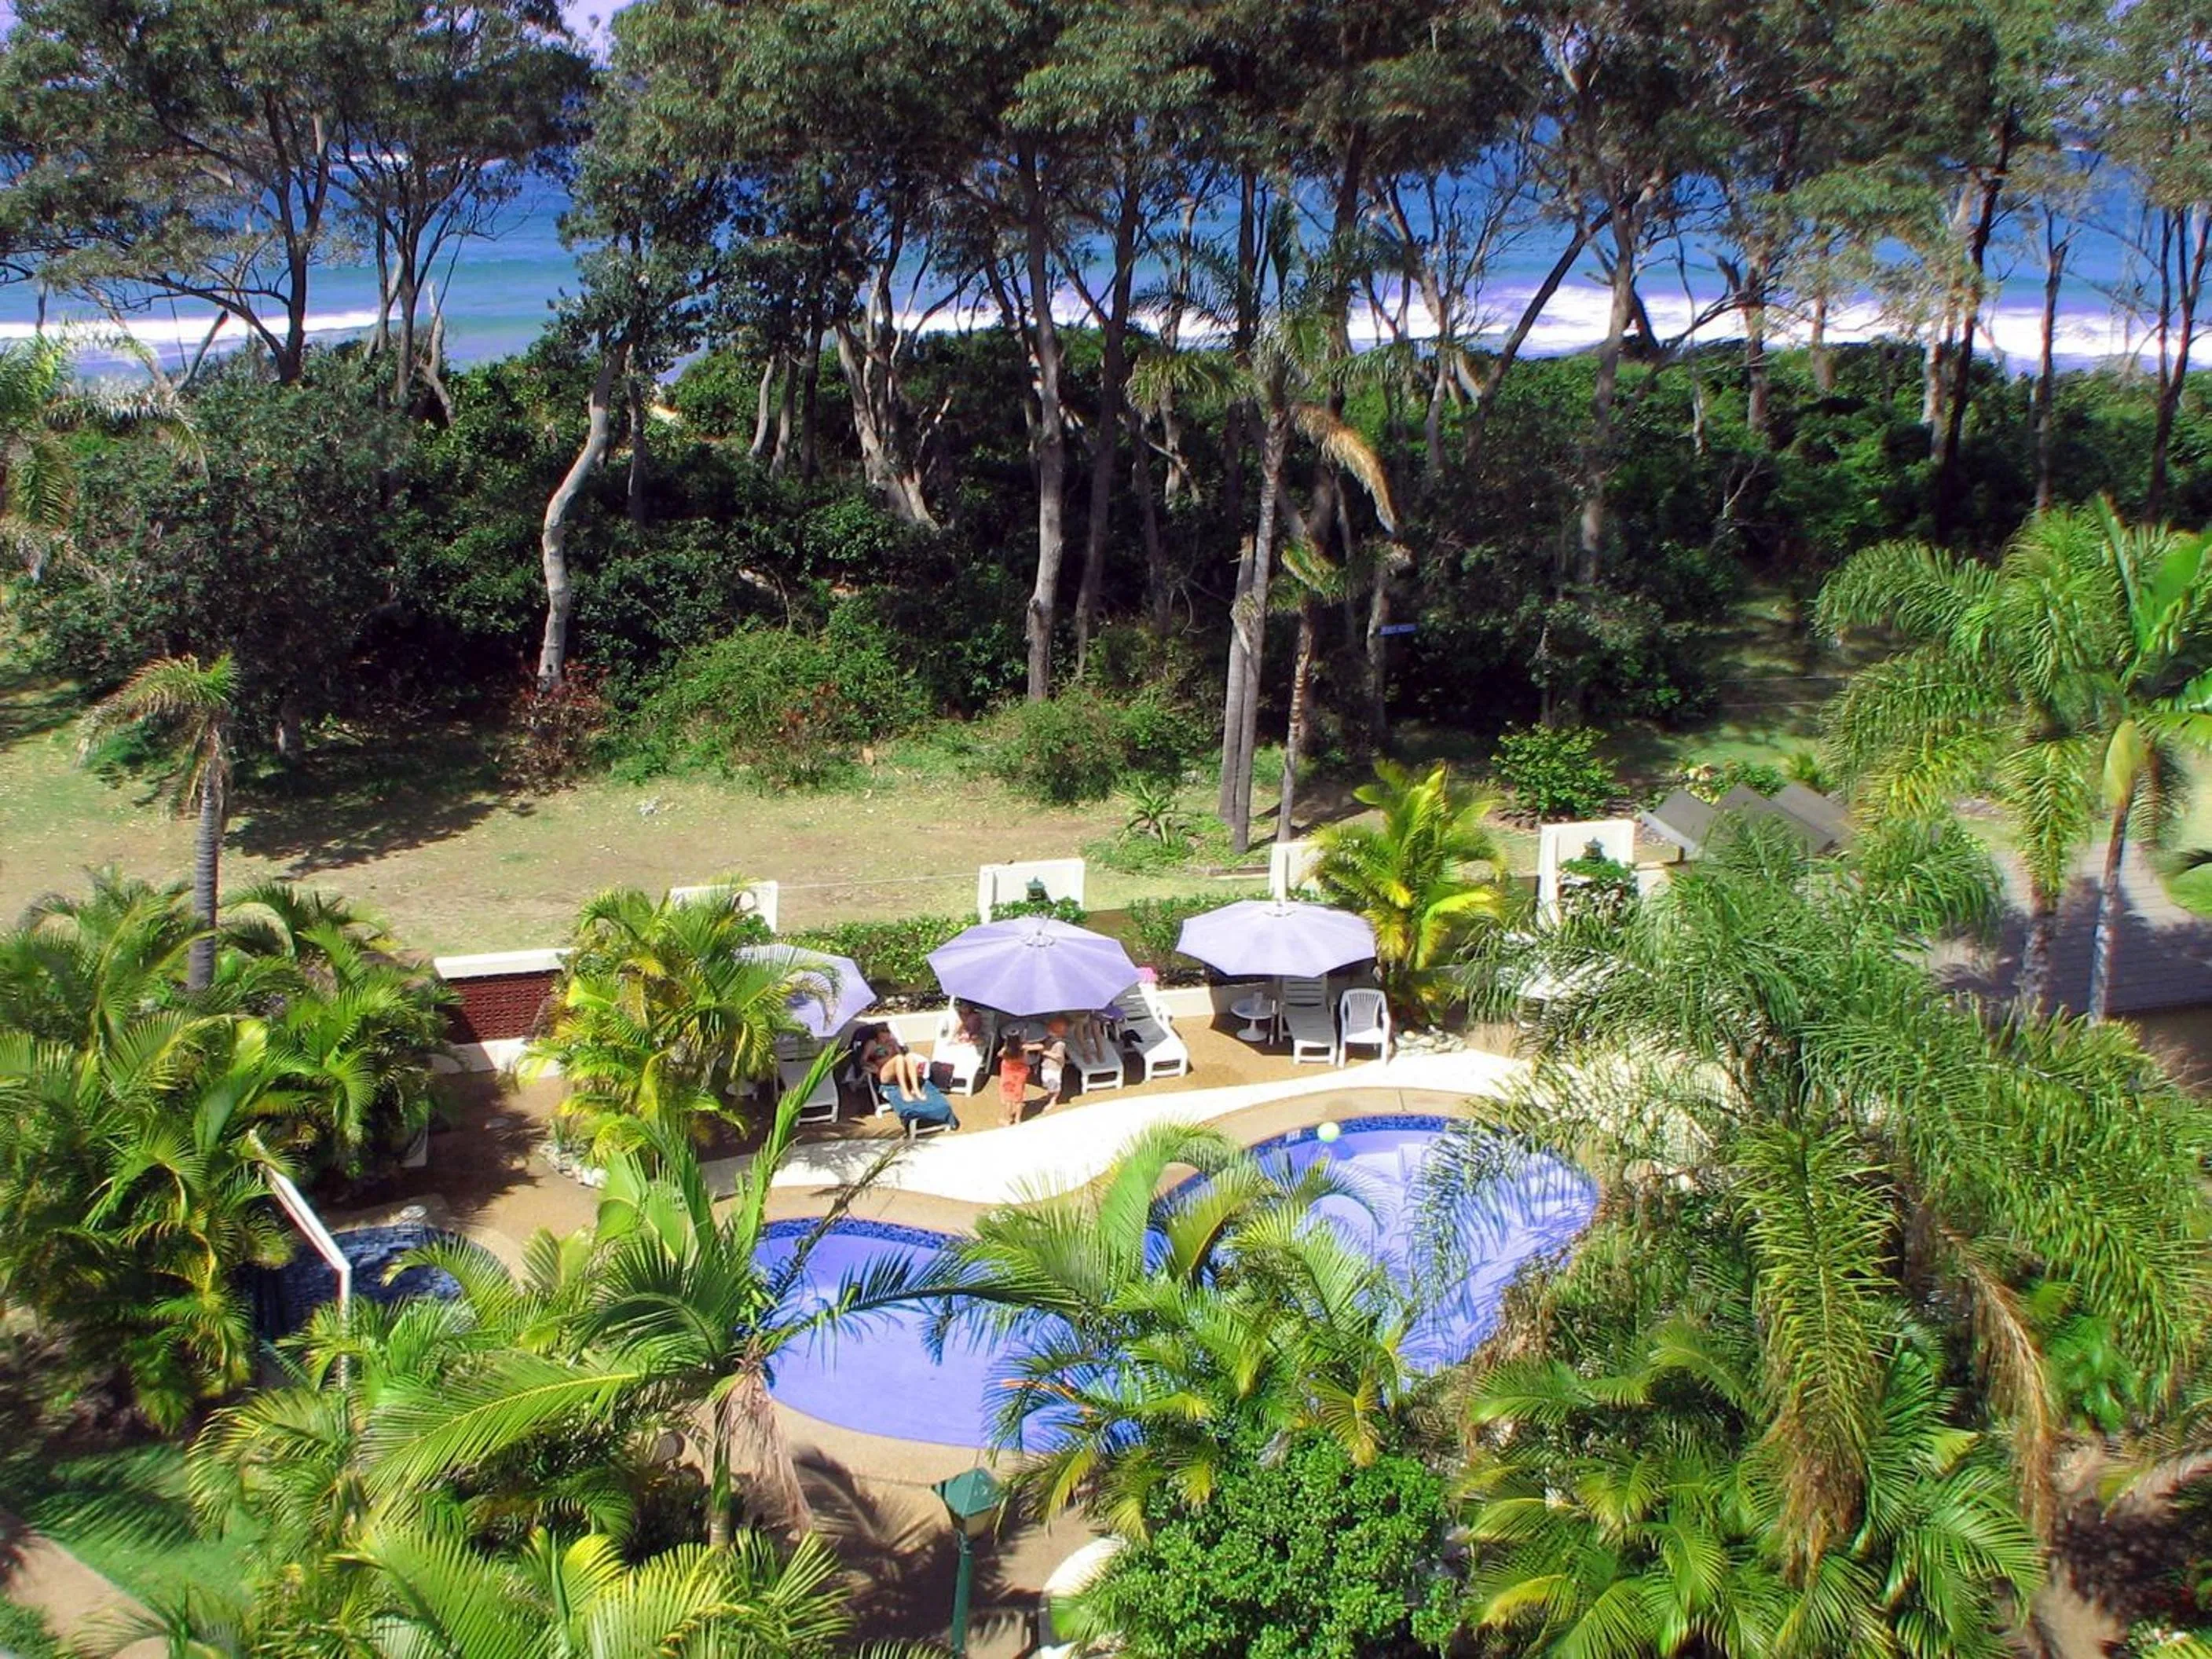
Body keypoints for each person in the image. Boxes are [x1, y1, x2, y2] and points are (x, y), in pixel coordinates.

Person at [859, 1022, 927, 1101]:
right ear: (877, 1033)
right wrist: (871, 1066)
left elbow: (902, 1057)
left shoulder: (892, 1042)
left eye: (887, 1031)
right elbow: (862, 1060)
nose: (886, 1033)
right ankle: (904, 1091)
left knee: (909, 1056)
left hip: (898, 1070)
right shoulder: (872, 1044)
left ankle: (916, 1089)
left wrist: (895, 1047)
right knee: (898, 1058)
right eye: (882, 1031)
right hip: (883, 1073)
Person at [1028, 1016, 1071, 1110]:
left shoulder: (1060, 1044)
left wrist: (1044, 1052)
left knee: (1054, 1084)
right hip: (1047, 1065)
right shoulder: (1050, 1039)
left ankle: (1053, 1100)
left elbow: (1059, 1057)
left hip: (1054, 1067)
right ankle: (1049, 1095)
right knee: (1047, 1081)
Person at [997, 1030, 1031, 1127]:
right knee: (1019, 1099)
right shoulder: (1022, 1049)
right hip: (1019, 1076)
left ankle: (1008, 1120)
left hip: (1008, 1076)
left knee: (1008, 1099)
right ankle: (1018, 1119)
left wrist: (1004, 1047)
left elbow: (999, 1054)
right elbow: (1026, 1060)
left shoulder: (1006, 1051)